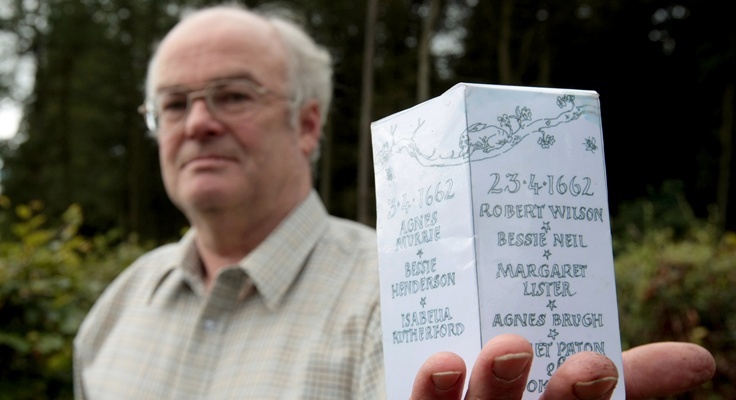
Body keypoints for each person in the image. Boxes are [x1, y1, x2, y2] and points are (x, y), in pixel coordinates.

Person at [73, 3, 715, 399]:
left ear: (307, 125)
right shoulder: (115, 307)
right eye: (175, 104)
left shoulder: (408, 296)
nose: (199, 122)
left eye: (234, 95)